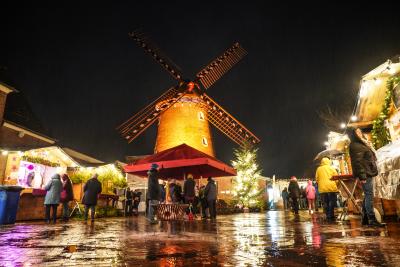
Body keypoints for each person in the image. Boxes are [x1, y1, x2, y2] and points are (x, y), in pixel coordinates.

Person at [348, 128, 385, 227]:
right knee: (369, 195)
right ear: (354, 135)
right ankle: (372, 219)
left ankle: (365, 219)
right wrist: (362, 176)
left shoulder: (362, 143)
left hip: (368, 171)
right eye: (357, 132)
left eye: (360, 132)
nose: (360, 133)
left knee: (367, 195)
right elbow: (357, 162)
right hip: (365, 173)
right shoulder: (355, 145)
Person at [315, 157, 339, 222]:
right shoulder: (331, 168)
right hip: (331, 187)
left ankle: (327, 214)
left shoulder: (318, 169)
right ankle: (331, 214)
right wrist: (336, 184)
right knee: (332, 201)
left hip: (322, 188)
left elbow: (316, 179)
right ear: (328, 161)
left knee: (325, 202)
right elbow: (336, 178)